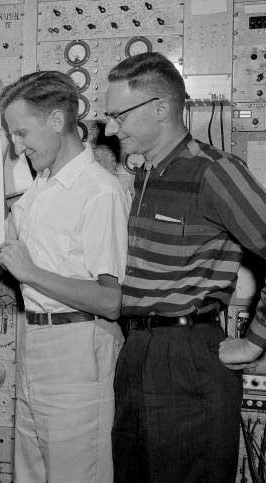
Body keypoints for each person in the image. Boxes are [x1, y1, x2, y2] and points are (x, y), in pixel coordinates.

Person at [104, 51, 266, 482]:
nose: (110, 128)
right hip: (137, 351)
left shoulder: (214, 172)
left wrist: (254, 343)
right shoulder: (147, 175)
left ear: (160, 108)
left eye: (118, 115)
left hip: (186, 355)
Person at [0, 71, 130, 482]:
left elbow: (111, 300)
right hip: (35, 340)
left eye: (22, 133)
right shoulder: (40, 187)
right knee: (31, 473)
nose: (17, 147)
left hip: (79, 346)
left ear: (56, 121)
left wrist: (31, 274)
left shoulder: (99, 191)